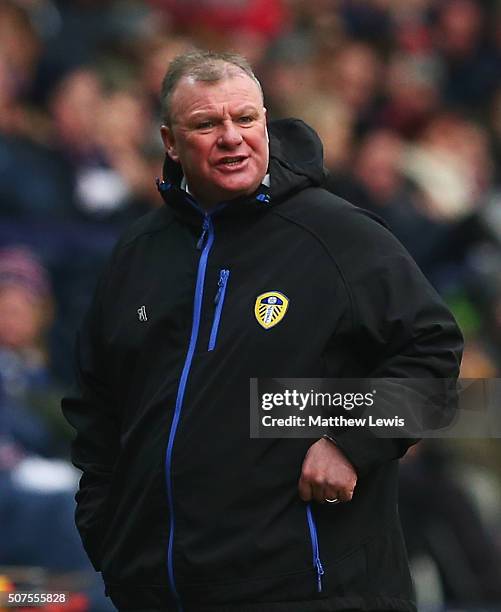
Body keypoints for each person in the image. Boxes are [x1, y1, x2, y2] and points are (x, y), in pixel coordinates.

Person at [62, 51, 463, 612]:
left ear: (266, 124)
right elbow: (96, 407)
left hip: (308, 590)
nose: (231, 137)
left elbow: (437, 363)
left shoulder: (339, 236)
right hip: (156, 588)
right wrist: (108, 529)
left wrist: (348, 440)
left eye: (245, 119)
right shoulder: (136, 253)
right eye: (206, 124)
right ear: (170, 142)